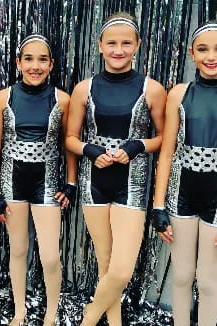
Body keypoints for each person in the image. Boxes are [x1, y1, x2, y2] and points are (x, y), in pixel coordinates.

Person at [152, 21, 217, 326]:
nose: (211, 56)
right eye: (202, 49)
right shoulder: (178, 93)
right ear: (191, 54)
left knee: (209, 280)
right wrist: (158, 205)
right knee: (183, 275)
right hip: (181, 195)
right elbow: (168, 152)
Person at [66, 12, 167, 326]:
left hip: (132, 181)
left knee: (122, 269)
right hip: (93, 180)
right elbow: (69, 138)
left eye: (126, 43)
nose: (118, 50)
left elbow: (165, 138)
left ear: (137, 45)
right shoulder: (84, 89)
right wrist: (91, 150)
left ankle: (89, 317)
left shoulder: (152, 89)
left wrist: (137, 146)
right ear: (100, 46)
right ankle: (115, 321)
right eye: (111, 43)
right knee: (106, 263)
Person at [0, 34, 77, 326]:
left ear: (51, 65)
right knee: (19, 250)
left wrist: (71, 183)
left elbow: (69, 144)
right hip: (12, 181)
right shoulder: (4, 97)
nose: (35, 66)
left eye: (42, 60)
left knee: (50, 256)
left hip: (47, 182)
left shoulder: (62, 99)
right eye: (29, 59)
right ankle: (19, 311)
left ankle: (51, 313)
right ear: (18, 63)